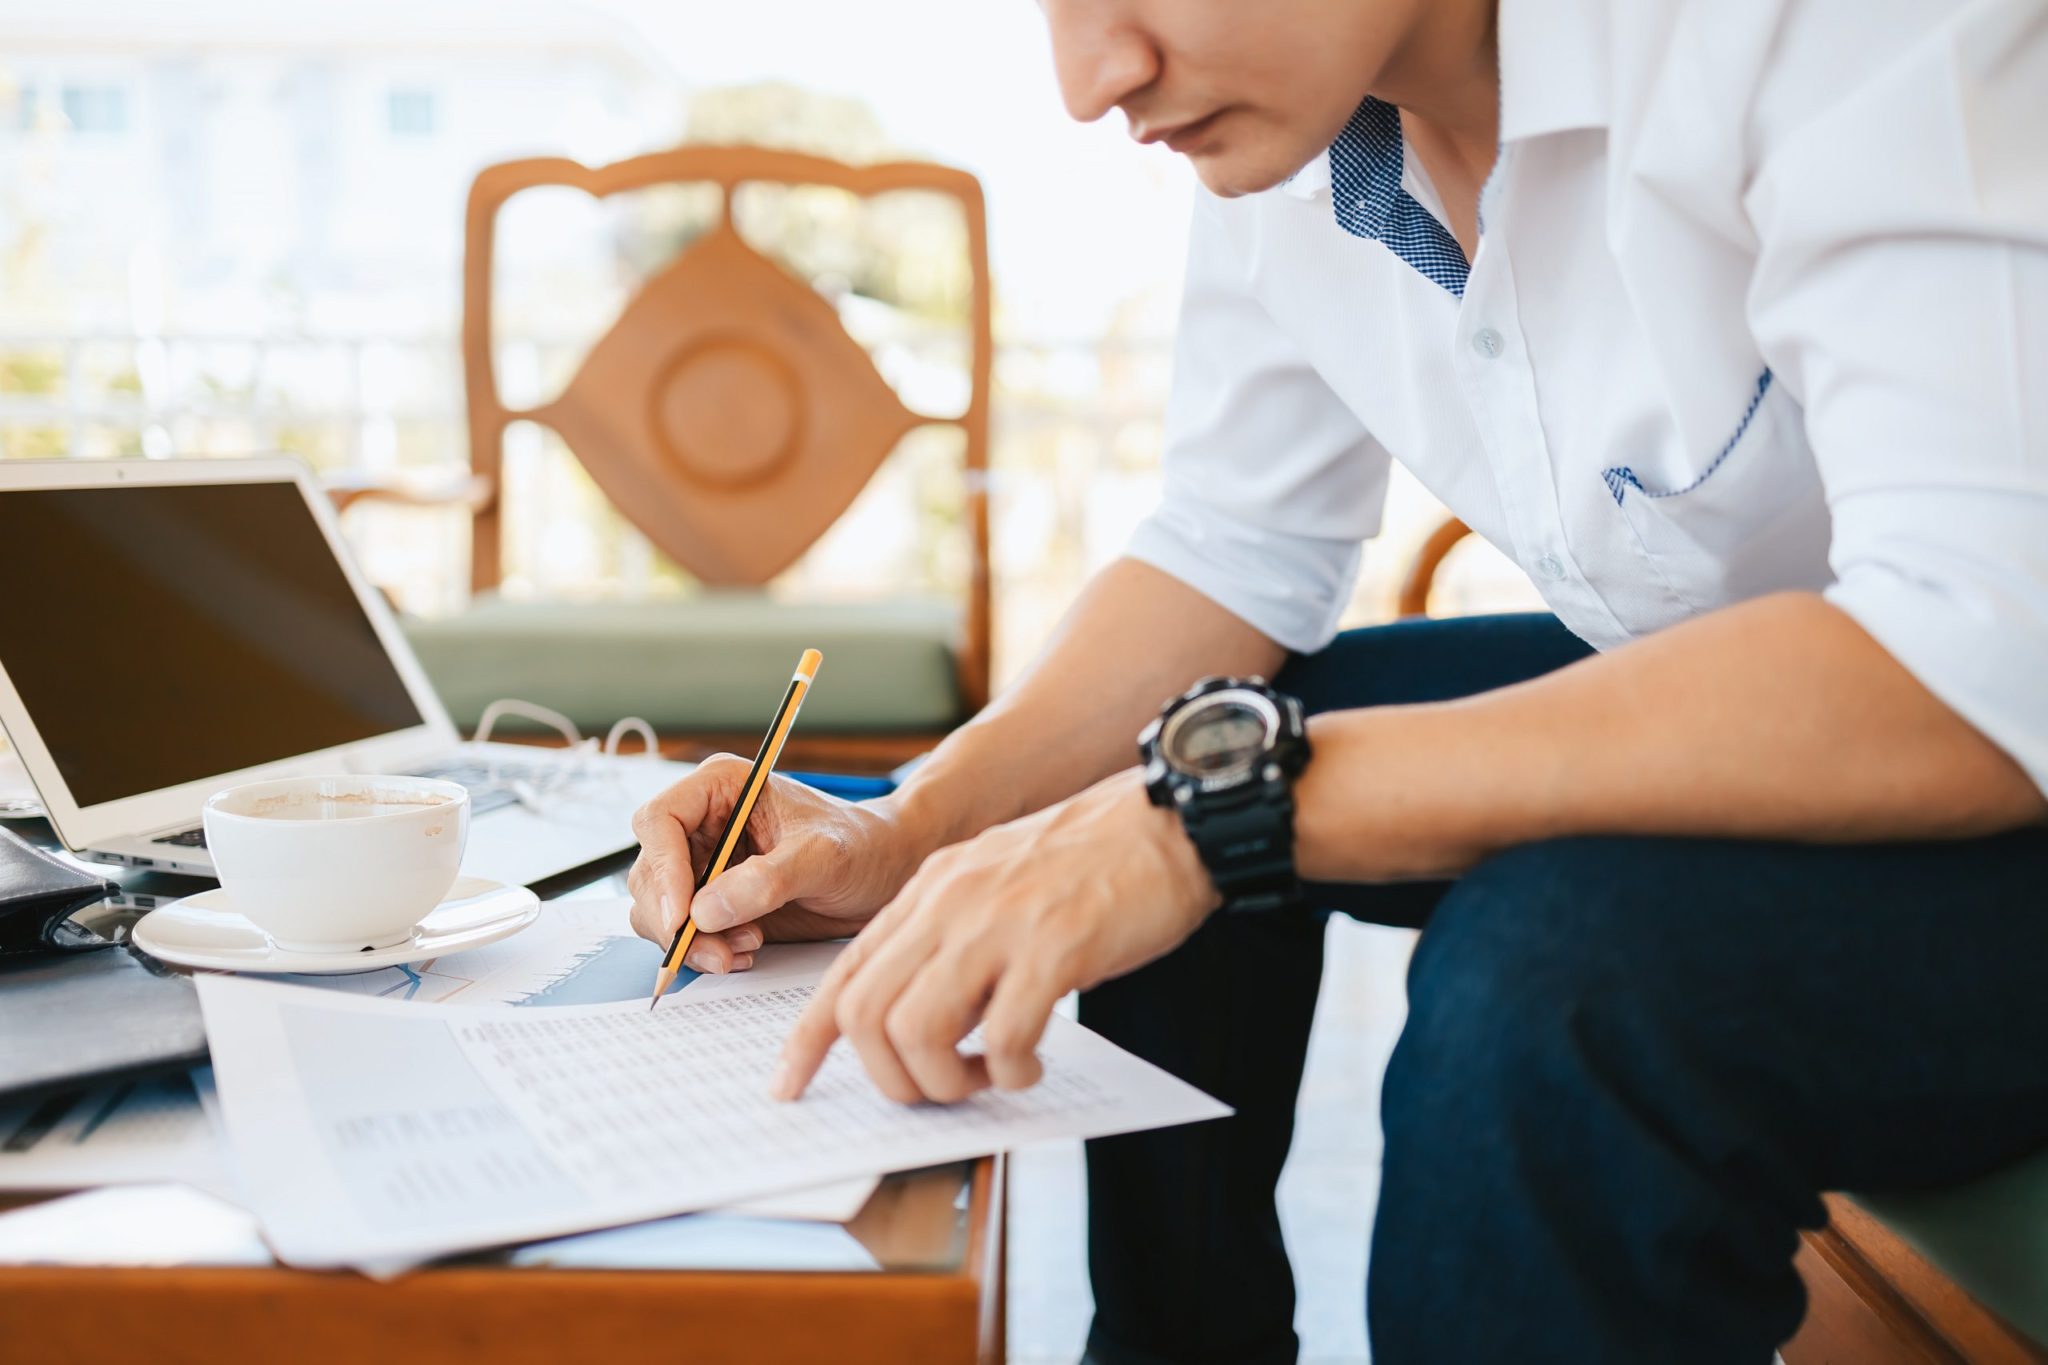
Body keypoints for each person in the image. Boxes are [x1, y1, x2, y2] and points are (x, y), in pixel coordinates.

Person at [627, 0, 2048, 1359]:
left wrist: (1208, 813)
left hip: (1992, 731)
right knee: (1190, 738)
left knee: (1541, 977)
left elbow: (1971, 635)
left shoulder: (1835, 21)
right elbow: (1231, 551)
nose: (1087, 75)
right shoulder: (1301, 134)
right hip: (1784, 678)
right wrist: (911, 823)